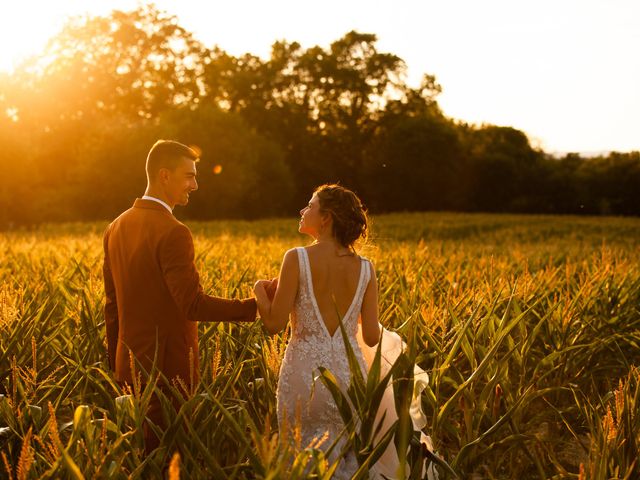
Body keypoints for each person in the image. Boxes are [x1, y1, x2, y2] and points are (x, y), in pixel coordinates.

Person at [253, 184, 434, 479]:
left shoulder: (296, 258)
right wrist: (349, 319)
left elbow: (273, 325)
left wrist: (260, 292)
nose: (302, 211)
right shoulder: (365, 268)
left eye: (309, 206)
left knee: (298, 456)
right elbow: (372, 337)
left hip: (303, 375)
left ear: (326, 218)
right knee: (345, 457)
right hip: (348, 378)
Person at [103, 139, 257, 452]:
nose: (195, 185)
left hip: (127, 368)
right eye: (189, 176)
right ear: (164, 176)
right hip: (167, 374)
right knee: (168, 460)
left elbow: (112, 306)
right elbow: (192, 304)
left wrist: (117, 366)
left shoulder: (115, 226)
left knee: (139, 460)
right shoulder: (173, 231)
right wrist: (253, 307)